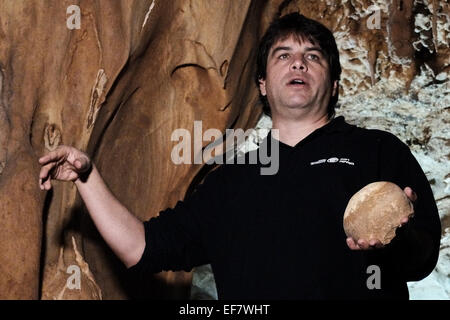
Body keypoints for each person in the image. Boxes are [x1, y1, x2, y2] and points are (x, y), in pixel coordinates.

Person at [38, 13, 441, 299]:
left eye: (313, 56)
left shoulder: (378, 150)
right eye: (283, 55)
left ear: (334, 84)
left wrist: (396, 237)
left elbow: (422, 259)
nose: (298, 61)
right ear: (263, 85)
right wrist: (88, 179)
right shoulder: (231, 181)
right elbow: (142, 248)